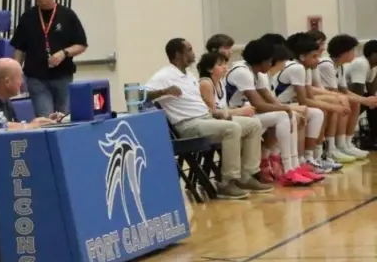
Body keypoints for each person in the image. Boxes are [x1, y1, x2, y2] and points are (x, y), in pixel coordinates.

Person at [144, 38, 270, 200]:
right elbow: (140, 95)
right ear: (178, 54)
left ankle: (246, 176)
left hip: (206, 118)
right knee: (232, 128)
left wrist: (217, 113)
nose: (193, 52)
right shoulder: (164, 75)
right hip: (188, 125)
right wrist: (163, 92)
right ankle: (227, 183)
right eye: (189, 49)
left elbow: (200, 105)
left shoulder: (189, 76)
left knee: (253, 124)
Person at [220, 41, 318, 186]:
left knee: (289, 116)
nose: (272, 64)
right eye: (270, 60)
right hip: (234, 113)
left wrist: (289, 110)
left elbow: (270, 99)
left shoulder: (257, 73)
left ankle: (294, 166)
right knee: (283, 116)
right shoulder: (242, 72)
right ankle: (288, 169)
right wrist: (286, 109)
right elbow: (258, 105)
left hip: (246, 113)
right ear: (262, 60)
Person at [10, 0, 88, 117]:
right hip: (36, 77)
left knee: (64, 117)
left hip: (62, 76)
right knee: (45, 118)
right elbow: (19, 48)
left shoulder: (67, 15)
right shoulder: (28, 17)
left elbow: (81, 44)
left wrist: (64, 53)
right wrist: (16, 73)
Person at [275, 33, 347, 172]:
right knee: (311, 112)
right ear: (302, 56)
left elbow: (309, 96)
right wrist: (332, 106)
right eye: (314, 56)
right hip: (280, 104)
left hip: (289, 104)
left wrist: (331, 105)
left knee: (318, 112)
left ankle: (312, 157)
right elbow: (304, 101)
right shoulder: (297, 67)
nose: (318, 60)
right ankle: (302, 159)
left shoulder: (305, 68)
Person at [318, 34, 372, 159]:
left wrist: (364, 100)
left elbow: (344, 90)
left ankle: (346, 143)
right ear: (344, 51)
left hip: (328, 96)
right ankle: (333, 147)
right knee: (341, 101)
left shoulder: (340, 66)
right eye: (352, 50)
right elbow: (335, 93)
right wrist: (366, 100)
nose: (354, 54)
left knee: (353, 102)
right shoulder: (327, 64)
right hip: (320, 97)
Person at [344, 39, 377, 149]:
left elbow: (371, 90)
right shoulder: (361, 63)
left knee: (374, 100)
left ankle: (373, 138)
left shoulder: (371, 66)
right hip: (345, 96)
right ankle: (371, 139)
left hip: (353, 96)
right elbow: (358, 90)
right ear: (373, 54)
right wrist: (370, 100)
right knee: (373, 102)